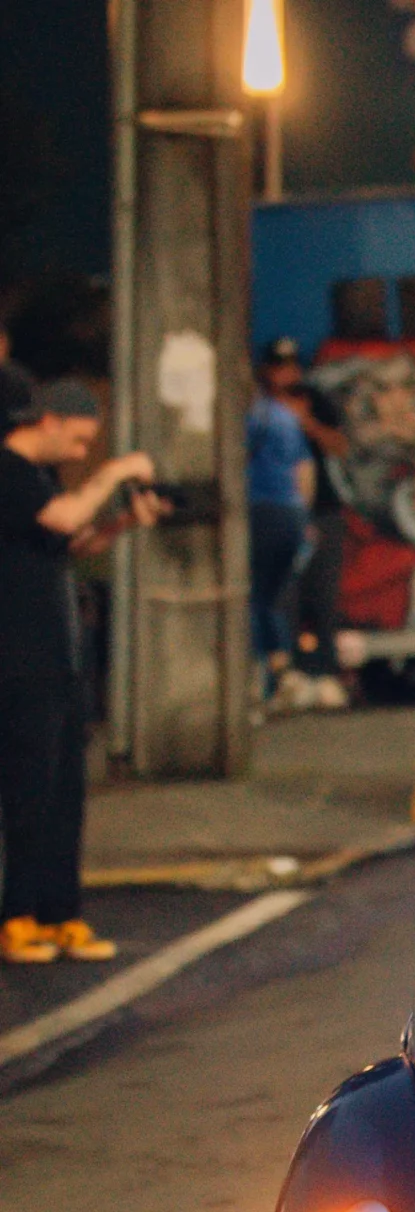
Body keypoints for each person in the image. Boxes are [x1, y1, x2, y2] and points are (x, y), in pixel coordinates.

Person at [0, 371, 163, 963]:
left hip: (60, 659)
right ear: (46, 421)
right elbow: (64, 519)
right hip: (19, 661)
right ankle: (17, 916)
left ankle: (60, 913)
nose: (80, 454)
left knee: (66, 791)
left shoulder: (40, 479)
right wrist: (114, 472)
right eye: (76, 440)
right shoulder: (10, 472)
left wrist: (123, 522)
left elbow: (68, 542)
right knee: (28, 791)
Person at [261, 337, 350, 711]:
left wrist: (305, 421)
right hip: (280, 512)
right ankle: (287, 678)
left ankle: (325, 674)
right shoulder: (257, 409)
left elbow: (339, 446)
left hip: (322, 511)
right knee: (283, 598)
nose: (287, 374)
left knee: (323, 596)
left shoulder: (313, 400)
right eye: (279, 367)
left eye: (291, 366)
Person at [247, 342, 315, 694]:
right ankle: (283, 670)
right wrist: (304, 519)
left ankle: (260, 676)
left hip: (261, 512)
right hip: (291, 513)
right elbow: (305, 470)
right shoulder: (288, 417)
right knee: (270, 597)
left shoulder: (252, 419)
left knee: (251, 596)